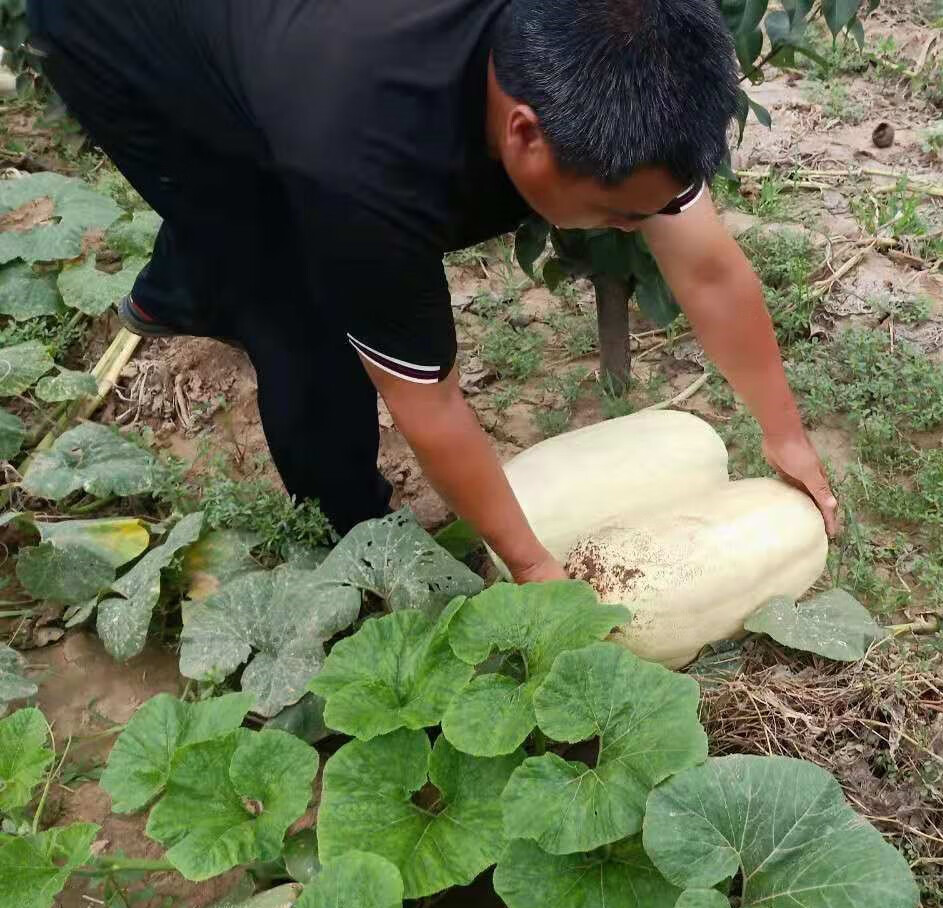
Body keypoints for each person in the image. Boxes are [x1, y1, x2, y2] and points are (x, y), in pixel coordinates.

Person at [24, 0, 839, 583]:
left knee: (300, 213)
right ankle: (350, 519)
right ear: (524, 131)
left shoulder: (604, 51)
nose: (637, 231)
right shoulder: (360, 160)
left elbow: (705, 265)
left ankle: (186, 274)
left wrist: (786, 433)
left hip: (294, 43)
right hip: (119, 31)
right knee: (288, 293)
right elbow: (429, 400)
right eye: (620, 216)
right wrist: (531, 564)